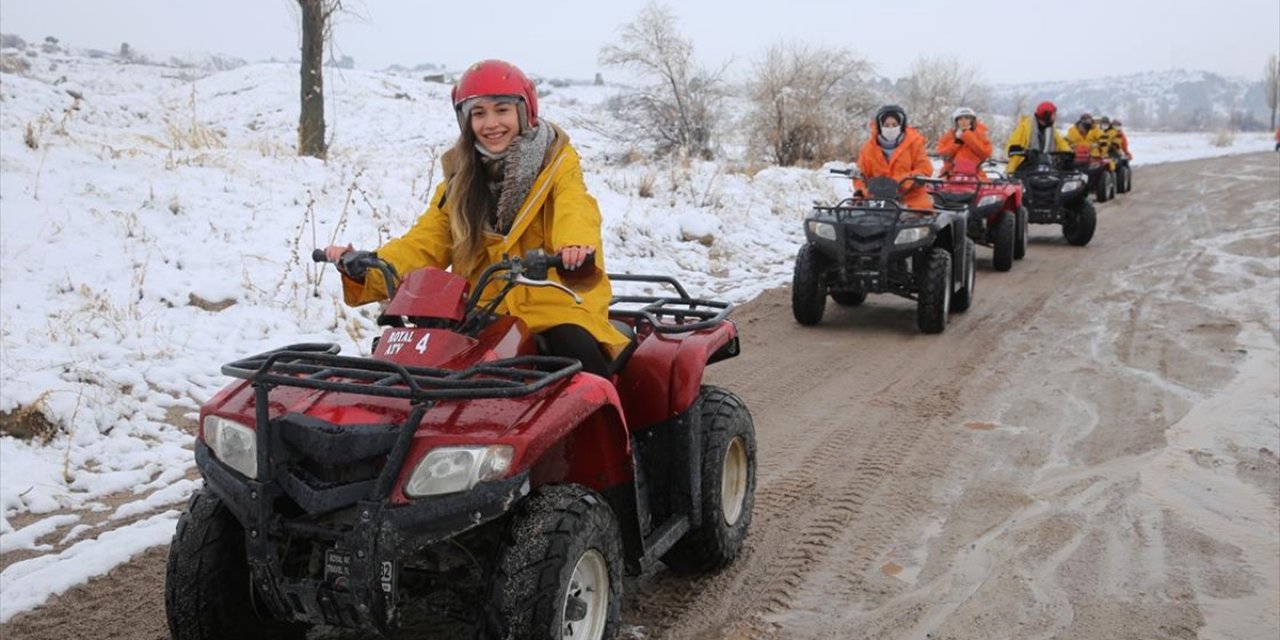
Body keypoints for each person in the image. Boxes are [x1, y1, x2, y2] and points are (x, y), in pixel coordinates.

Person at [324, 59, 629, 378]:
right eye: (478, 113)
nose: (490, 123)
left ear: (524, 112)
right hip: (481, 308)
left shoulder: (556, 164)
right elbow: (425, 243)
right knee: (427, 367)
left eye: (502, 110)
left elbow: (575, 206)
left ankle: (612, 425)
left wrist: (574, 247)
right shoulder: (460, 181)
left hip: (553, 303)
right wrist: (368, 266)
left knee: (575, 351)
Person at [854, 105, 934, 209]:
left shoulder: (914, 144)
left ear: (901, 125)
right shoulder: (868, 148)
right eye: (886, 125)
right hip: (876, 199)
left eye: (894, 124)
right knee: (854, 215)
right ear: (879, 126)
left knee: (923, 215)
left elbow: (925, 169)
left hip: (910, 196)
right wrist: (862, 191)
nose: (890, 128)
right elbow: (860, 174)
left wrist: (902, 182)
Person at [1005, 101, 1071, 173]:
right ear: (1046, 116)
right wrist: (1025, 152)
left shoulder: (1051, 130)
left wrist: (1068, 153)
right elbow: (1011, 147)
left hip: (1046, 166)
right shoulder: (1025, 127)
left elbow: (1061, 143)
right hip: (1023, 167)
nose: (1055, 117)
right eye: (1053, 114)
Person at [936, 106, 993, 179]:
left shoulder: (980, 134)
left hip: (975, 175)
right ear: (955, 121)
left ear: (972, 121)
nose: (963, 121)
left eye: (966, 118)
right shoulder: (949, 136)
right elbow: (945, 156)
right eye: (960, 119)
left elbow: (985, 153)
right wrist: (957, 142)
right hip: (951, 174)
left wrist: (967, 136)